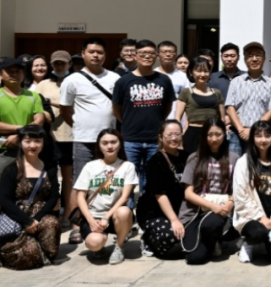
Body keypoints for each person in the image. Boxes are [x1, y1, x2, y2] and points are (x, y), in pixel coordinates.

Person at [59, 37, 120, 244]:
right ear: (83, 53)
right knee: (81, 183)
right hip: (83, 140)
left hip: (110, 140)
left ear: (105, 55)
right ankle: (77, 225)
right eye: (91, 52)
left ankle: (111, 222)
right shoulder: (72, 80)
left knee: (111, 182)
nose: (96, 55)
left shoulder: (114, 78)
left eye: (100, 52)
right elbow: (66, 110)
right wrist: (79, 125)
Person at [112, 39, 176, 201]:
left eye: (150, 54)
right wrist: (128, 122)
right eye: (142, 53)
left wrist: (157, 122)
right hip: (130, 138)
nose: (147, 57)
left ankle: (147, 210)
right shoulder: (123, 81)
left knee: (152, 178)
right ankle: (127, 210)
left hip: (155, 138)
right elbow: (116, 108)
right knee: (128, 178)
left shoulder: (164, 80)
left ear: (156, 56)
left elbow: (168, 106)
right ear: (135, 55)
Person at [0, 57, 46, 203]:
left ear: (23, 74)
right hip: (2, 150)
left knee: (28, 193)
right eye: (9, 71)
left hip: (30, 151)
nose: (14, 74)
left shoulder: (33, 96)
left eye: (18, 71)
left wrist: (19, 135)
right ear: (0, 74)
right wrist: (22, 130)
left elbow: (39, 121)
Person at [0, 125, 60, 270]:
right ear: (20, 143)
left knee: (51, 222)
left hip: (41, 216)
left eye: (37, 141)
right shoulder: (11, 169)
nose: (32, 145)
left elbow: (53, 197)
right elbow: (5, 200)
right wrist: (26, 221)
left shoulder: (49, 168)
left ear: (43, 143)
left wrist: (36, 219)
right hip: (16, 218)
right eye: (28, 141)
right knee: (29, 254)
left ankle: (43, 254)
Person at [74, 128, 139, 265]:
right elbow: (80, 197)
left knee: (124, 211)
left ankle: (119, 246)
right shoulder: (90, 166)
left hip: (115, 215)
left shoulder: (127, 166)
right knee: (94, 243)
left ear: (120, 144)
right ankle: (99, 247)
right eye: (105, 143)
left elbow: (125, 197)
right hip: (93, 215)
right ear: (99, 146)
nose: (109, 146)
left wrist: (106, 217)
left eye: (113, 142)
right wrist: (91, 220)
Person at [178, 118, 238, 264]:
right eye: (209, 135)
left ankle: (215, 237)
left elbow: (239, 188)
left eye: (218, 134)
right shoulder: (194, 158)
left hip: (220, 211)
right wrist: (212, 206)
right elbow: (188, 193)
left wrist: (230, 203)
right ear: (204, 136)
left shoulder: (234, 158)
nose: (214, 139)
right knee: (195, 258)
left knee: (212, 224)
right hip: (195, 212)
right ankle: (211, 241)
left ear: (225, 134)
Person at [232, 120, 271, 265]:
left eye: (267, 135)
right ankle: (249, 243)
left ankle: (267, 242)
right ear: (252, 137)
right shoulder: (243, 162)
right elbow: (240, 197)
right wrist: (261, 218)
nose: (263, 140)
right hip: (250, 219)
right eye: (258, 135)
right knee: (258, 233)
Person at [136, 120, 188, 259]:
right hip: (155, 212)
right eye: (169, 134)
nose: (174, 138)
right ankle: (148, 240)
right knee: (171, 238)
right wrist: (174, 220)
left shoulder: (186, 156)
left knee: (190, 238)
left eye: (177, 134)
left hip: (181, 209)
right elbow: (160, 195)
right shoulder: (155, 161)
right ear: (160, 137)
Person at [225, 43, 271, 159]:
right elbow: (230, 108)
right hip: (237, 134)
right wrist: (241, 129)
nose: (254, 59)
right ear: (245, 59)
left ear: (264, 59)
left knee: (259, 165)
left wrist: (253, 130)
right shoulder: (236, 82)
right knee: (234, 165)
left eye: (258, 55)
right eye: (250, 56)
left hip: (262, 135)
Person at [35, 51, 74, 216]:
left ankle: (69, 213)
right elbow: (37, 105)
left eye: (63, 63)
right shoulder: (43, 84)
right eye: (56, 63)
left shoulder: (75, 81)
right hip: (49, 136)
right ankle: (50, 212)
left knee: (68, 177)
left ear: (69, 64)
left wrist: (51, 102)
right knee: (49, 176)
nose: (59, 66)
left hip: (71, 135)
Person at [176, 57, 226, 156]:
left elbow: (222, 119)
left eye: (206, 71)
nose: (202, 74)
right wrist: (179, 136)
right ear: (191, 72)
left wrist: (222, 135)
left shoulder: (217, 93)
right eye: (199, 71)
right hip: (193, 134)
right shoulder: (186, 92)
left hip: (212, 134)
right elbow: (177, 117)